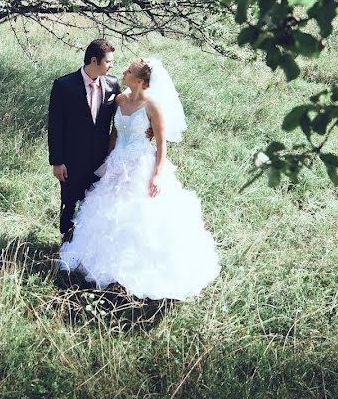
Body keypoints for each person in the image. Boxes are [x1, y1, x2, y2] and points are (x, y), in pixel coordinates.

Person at [58, 57, 220, 300]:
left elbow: (162, 144)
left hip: (140, 163)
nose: (123, 72)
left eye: (129, 71)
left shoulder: (152, 106)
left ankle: (136, 269)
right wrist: (105, 160)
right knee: (108, 209)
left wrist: (156, 174)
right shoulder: (120, 99)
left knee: (138, 213)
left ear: (141, 81)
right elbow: (114, 133)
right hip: (116, 163)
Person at [47, 39, 121, 244]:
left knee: (96, 204)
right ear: (94, 60)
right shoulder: (64, 85)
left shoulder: (113, 85)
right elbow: (55, 126)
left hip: (101, 159)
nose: (111, 65)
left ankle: (89, 246)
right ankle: (66, 245)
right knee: (69, 203)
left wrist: (146, 127)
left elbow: (124, 115)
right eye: (108, 62)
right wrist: (57, 161)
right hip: (71, 159)